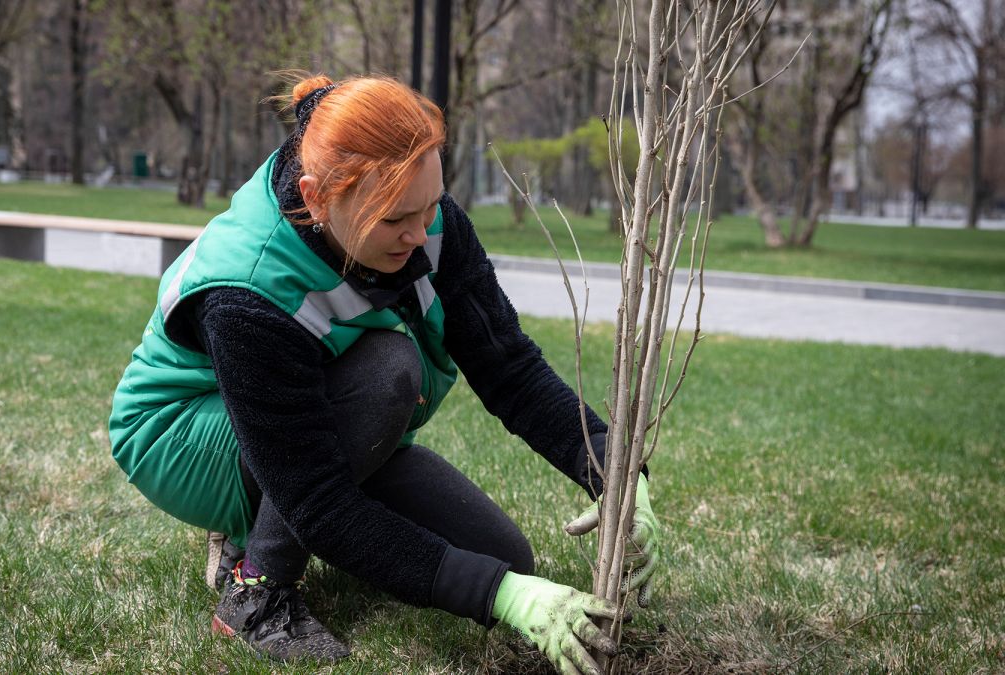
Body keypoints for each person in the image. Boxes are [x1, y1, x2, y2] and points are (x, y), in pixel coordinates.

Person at [108, 73, 662, 674]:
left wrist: (613, 469)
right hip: (184, 432)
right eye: (398, 218)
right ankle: (255, 586)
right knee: (387, 373)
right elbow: (318, 501)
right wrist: (498, 599)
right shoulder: (248, 294)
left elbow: (508, 365)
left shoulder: (428, 221)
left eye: (430, 206)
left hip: (316, 421)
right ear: (319, 198)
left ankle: (273, 527)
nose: (422, 235)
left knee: (503, 557)